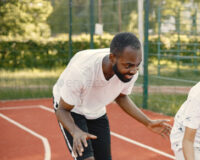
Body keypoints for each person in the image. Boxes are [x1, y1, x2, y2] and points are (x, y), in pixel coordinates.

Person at [53, 32, 171, 160]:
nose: (133, 71)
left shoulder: (130, 69)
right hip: (72, 109)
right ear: (112, 58)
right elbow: (62, 110)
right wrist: (75, 131)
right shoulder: (81, 72)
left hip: (96, 110)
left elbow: (121, 96)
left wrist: (148, 122)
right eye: (128, 66)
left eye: (138, 65)